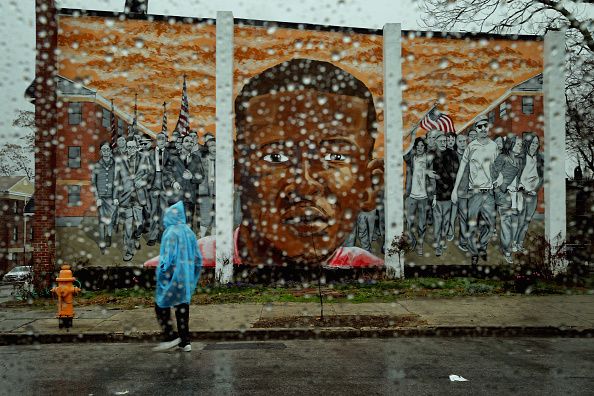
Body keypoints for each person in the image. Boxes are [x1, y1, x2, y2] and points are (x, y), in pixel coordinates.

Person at [216, 58, 384, 269]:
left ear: (369, 187)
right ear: (237, 171)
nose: (305, 185)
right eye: (276, 157)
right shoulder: (185, 264)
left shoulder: (368, 269)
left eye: (336, 157)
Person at [153, 201, 202, 352]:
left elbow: (168, 259)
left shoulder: (170, 232)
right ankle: (185, 341)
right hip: (185, 278)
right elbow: (197, 258)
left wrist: (162, 272)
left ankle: (170, 336)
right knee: (182, 306)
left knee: (161, 305)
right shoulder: (189, 232)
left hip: (171, 277)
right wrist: (192, 274)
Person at [451, 115, 498, 267]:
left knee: (490, 226)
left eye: (485, 126)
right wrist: (454, 190)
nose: (483, 129)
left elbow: (498, 168)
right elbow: (461, 169)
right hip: (475, 193)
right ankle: (474, 253)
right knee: (471, 225)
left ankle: (482, 246)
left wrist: (500, 178)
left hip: (489, 193)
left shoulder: (493, 146)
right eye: (480, 126)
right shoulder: (471, 147)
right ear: (476, 129)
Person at [114, 138, 150, 261]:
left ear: (137, 147)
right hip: (125, 198)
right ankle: (129, 251)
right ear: (126, 148)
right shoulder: (120, 160)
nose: (131, 150)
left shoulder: (143, 158)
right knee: (128, 227)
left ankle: (138, 236)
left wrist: (142, 181)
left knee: (140, 224)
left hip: (139, 198)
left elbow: (148, 173)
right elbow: (116, 179)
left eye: (133, 147)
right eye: (129, 147)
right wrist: (115, 197)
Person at [491, 135, 522, 263]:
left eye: (520, 144)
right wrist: (500, 190)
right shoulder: (502, 157)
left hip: (513, 197)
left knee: (512, 224)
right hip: (503, 196)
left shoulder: (517, 160)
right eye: (518, 144)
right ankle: (507, 251)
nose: (520, 146)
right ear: (511, 144)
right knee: (506, 225)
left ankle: (509, 246)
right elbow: (493, 174)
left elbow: (515, 177)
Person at [164, 134, 204, 231]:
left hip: (189, 198)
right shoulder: (173, 157)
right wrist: (173, 182)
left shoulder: (197, 159)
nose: (189, 143)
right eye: (186, 141)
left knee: (188, 225)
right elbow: (166, 172)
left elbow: (202, 177)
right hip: (175, 197)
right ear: (181, 144)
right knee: (174, 225)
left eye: (191, 142)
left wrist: (192, 177)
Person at [404, 137, 435, 256]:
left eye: (422, 146)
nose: (420, 148)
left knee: (421, 223)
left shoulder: (428, 159)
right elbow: (404, 154)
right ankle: (413, 241)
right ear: (415, 147)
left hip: (424, 197)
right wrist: (412, 138)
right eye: (417, 146)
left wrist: (434, 195)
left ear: (425, 147)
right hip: (411, 195)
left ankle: (420, 245)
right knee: (409, 221)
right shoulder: (411, 159)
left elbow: (432, 177)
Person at [514, 135, 544, 252]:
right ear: (528, 144)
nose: (534, 146)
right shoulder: (521, 158)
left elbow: (542, 178)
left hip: (532, 195)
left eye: (536, 143)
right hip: (522, 193)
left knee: (526, 222)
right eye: (532, 143)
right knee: (520, 220)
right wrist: (520, 187)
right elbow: (516, 175)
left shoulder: (540, 159)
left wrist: (535, 189)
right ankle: (514, 242)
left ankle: (519, 243)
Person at [431, 132, 459, 256]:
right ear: (436, 142)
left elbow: (456, 174)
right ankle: (437, 245)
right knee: (437, 223)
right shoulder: (431, 155)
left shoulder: (452, 154)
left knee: (446, 222)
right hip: (436, 196)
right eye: (440, 141)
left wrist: (454, 191)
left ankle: (441, 243)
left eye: (444, 141)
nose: (443, 143)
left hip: (448, 194)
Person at [91, 141, 116, 254]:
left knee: (110, 220)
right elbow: (93, 182)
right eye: (104, 150)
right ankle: (102, 243)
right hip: (101, 197)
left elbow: (117, 182)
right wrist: (97, 198)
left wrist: (116, 197)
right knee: (101, 221)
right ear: (101, 152)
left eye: (108, 149)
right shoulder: (97, 165)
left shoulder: (115, 164)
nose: (106, 152)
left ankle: (109, 236)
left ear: (111, 151)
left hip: (111, 197)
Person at [147, 132, 170, 245]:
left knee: (164, 212)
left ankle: (162, 236)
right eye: (159, 139)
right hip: (153, 182)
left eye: (163, 139)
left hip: (165, 184)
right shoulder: (149, 153)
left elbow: (171, 169)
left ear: (166, 141)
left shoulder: (169, 154)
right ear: (156, 140)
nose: (161, 141)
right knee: (153, 211)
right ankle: (152, 236)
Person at [446, 132, 468, 244]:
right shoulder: (452, 155)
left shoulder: (469, 155)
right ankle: (450, 232)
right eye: (460, 141)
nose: (463, 143)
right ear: (456, 143)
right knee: (452, 215)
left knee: (464, 217)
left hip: (465, 192)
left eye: (464, 141)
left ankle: (463, 241)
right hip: (453, 191)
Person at [198, 133, 216, 237]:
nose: (213, 148)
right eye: (211, 145)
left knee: (217, 215)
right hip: (205, 190)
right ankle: (202, 237)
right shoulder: (202, 159)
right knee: (205, 215)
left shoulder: (223, 161)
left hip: (218, 191)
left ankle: (213, 238)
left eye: (215, 145)